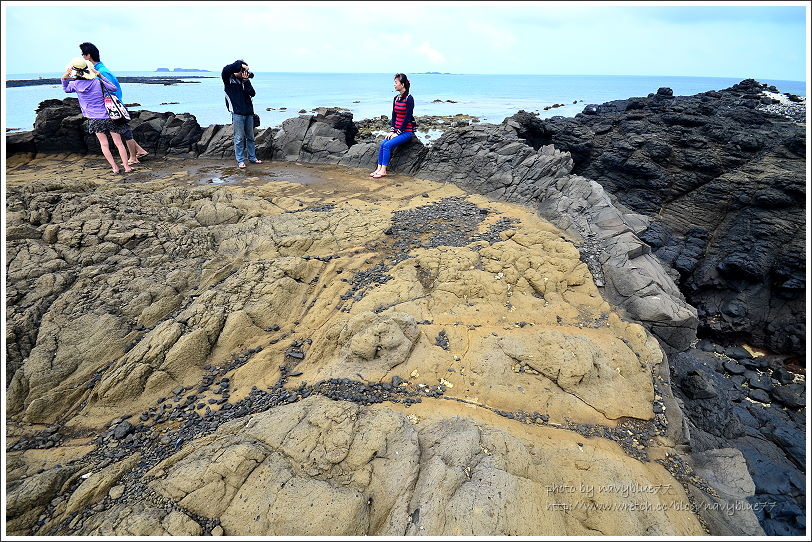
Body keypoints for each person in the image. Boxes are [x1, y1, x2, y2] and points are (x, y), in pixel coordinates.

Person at [79, 42, 149, 166]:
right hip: (112, 105)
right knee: (123, 131)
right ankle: (140, 151)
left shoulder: (102, 71)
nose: (82, 57)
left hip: (113, 106)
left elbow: (110, 90)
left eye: (83, 55)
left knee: (126, 132)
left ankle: (133, 157)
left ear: (88, 56)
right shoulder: (99, 69)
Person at [61, 58, 133, 174]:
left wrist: (65, 76)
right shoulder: (97, 82)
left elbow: (65, 89)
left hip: (93, 119)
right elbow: (113, 88)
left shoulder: (74, 84)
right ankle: (127, 167)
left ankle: (114, 168)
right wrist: (100, 75)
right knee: (119, 143)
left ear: (74, 72)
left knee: (104, 144)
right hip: (109, 117)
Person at [370, 73, 416, 179]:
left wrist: (398, 133)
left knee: (387, 145)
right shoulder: (396, 98)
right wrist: (392, 130)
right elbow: (394, 115)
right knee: (382, 144)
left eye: (396, 82)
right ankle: (379, 168)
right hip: (396, 131)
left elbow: (407, 117)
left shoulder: (409, 98)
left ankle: (384, 171)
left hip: (406, 132)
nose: (394, 85)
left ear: (402, 84)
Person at [221, 59, 262, 169]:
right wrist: (241, 65)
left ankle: (252, 158)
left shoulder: (244, 81)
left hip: (249, 113)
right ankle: (240, 160)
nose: (243, 73)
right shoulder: (228, 79)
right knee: (239, 138)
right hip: (237, 113)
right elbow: (227, 69)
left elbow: (252, 93)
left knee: (250, 137)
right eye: (242, 70)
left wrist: (246, 80)